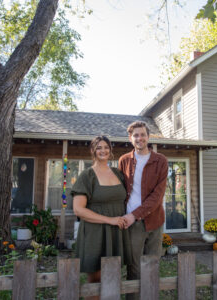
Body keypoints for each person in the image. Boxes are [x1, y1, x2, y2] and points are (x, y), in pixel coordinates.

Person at [72, 136, 131, 299]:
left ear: (110, 151)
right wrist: (110, 220)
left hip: (115, 233)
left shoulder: (118, 174)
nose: (103, 150)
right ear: (93, 151)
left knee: (112, 277)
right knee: (96, 280)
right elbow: (78, 210)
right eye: (99, 147)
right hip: (95, 233)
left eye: (106, 147)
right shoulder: (87, 176)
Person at [119, 121, 168, 300]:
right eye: (136, 135)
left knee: (152, 266)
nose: (140, 138)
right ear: (131, 138)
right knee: (134, 268)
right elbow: (120, 189)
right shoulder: (124, 160)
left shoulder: (160, 161)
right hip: (132, 224)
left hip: (154, 221)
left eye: (143, 134)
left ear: (148, 136)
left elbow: (157, 196)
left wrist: (134, 215)